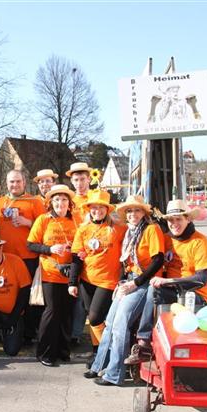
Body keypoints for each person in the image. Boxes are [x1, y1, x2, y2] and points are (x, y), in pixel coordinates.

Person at [86, 196, 165, 386]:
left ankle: (114, 374)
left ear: (144, 213)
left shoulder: (151, 229)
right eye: (129, 211)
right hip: (129, 281)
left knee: (120, 326)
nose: (132, 214)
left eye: (137, 210)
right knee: (110, 323)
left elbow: (158, 260)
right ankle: (99, 365)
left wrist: (136, 283)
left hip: (143, 283)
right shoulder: (131, 232)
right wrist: (124, 283)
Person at [125, 199, 207, 365]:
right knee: (142, 293)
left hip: (196, 295)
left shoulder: (201, 242)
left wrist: (168, 281)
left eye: (179, 219)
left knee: (154, 291)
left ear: (188, 219)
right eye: (171, 220)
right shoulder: (166, 239)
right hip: (171, 290)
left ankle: (144, 343)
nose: (174, 223)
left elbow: (201, 280)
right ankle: (141, 343)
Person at [68, 189, 127, 364]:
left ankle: (105, 353)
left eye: (101, 208)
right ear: (89, 209)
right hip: (87, 279)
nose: (97, 211)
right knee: (92, 317)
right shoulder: (83, 229)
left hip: (108, 281)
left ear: (107, 209)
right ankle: (99, 353)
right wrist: (72, 282)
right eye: (94, 208)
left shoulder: (118, 228)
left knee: (95, 317)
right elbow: (76, 257)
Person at [0, 169, 45, 344]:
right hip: (5, 257)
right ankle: (4, 328)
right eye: (11, 182)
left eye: (18, 182)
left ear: (24, 182)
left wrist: (27, 222)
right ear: (6, 183)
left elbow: (45, 230)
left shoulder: (35, 201)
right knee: (6, 293)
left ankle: (28, 332)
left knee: (28, 295)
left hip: (28, 256)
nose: (14, 185)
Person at [27, 184, 77, 366]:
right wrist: (49, 249)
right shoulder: (43, 220)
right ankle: (45, 352)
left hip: (71, 274)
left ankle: (63, 350)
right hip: (50, 273)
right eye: (56, 200)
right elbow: (31, 244)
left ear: (69, 203)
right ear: (51, 203)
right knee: (52, 311)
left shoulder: (76, 220)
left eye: (64, 200)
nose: (60, 203)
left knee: (66, 313)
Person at [66, 162, 93, 344]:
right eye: (76, 180)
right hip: (72, 252)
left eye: (82, 179)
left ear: (89, 179)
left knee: (88, 295)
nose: (79, 183)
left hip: (93, 252)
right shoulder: (69, 201)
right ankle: (74, 333)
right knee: (74, 294)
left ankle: (86, 333)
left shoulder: (96, 198)